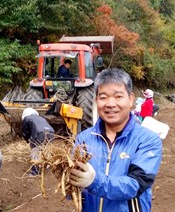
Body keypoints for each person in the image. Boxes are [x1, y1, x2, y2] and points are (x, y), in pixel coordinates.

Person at [69, 68, 162, 211]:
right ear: (96, 100)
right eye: (103, 97)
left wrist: (94, 181)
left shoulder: (148, 140)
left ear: (131, 99)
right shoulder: (83, 138)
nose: (110, 104)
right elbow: (75, 185)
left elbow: (135, 185)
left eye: (118, 96)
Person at [22, 108, 54, 175]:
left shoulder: (27, 118)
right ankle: (47, 168)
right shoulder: (41, 118)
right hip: (51, 133)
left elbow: (25, 132)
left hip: (39, 134)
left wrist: (27, 139)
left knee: (35, 151)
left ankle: (34, 172)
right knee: (46, 150)